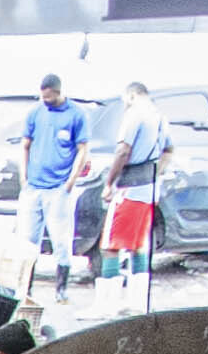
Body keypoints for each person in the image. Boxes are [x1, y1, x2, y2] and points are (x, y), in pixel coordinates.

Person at [13, 73, 92, 295]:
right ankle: (24, 289)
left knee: (61, 239)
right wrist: (23, 176)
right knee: (28, 241)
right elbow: (25, 145)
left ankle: (61, 290)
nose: (45, 101)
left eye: (49, 98)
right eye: (42, 98)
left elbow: (82, 150)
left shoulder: (76, 114)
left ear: (58, 92)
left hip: (58, 188)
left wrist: (70, 182)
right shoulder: (35, 113)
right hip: (33, 187)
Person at [97, 80, 172, 291]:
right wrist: (156, 173)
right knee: (138, 245)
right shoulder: (159, 117)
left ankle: (107, 304)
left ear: (131, 96)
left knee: (110, 246)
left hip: (130, 189)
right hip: (149, 188)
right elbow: (169, 150)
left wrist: (109, 183)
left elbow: (123, 151)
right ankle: (137, 301)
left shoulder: (134, 114)